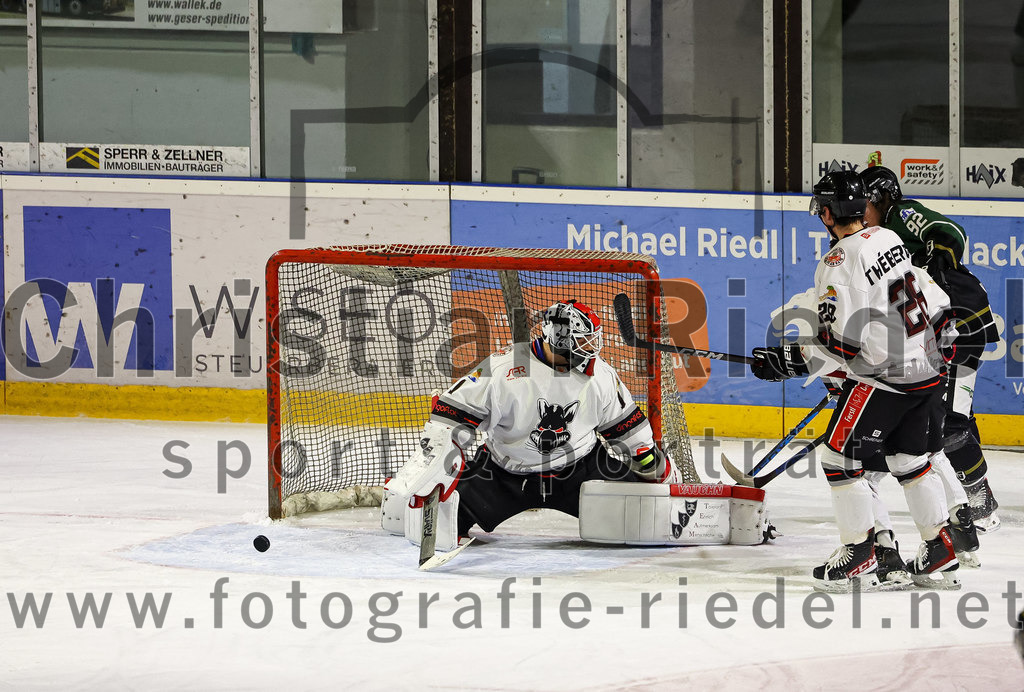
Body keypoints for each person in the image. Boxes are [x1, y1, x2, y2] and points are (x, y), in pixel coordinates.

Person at [750, 169, 959, 592]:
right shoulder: (889, 238)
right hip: (926, 371)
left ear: (828, 213)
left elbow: (843, 344)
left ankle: (859, 553)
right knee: (909, 461)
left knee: (839, 460)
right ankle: (940, 550)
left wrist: (792, 359)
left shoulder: (840, 261)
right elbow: (936, 301)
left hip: (885, 379)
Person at [381, 299, 679, 550]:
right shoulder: (503, 368)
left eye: (593, 340)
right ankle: (406, 505)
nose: (591, 350)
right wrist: (441, 465)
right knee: (428, 520)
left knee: (647, 518)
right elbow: (448, 419)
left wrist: (658, 471)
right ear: (559, 339)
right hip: (503, 474)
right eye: (582, 341)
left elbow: (629, 432)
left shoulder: (600, 375)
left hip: (581, 470)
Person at [859, 165, 1001, 534]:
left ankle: (981, 501)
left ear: (881, 198)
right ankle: (969, 491)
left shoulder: (901, 214)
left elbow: (951, 231)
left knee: (949, 421)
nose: (859, 210)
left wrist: (938, 257)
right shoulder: (874, 239)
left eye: (864, 202)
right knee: (951, 414)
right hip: (940, 331)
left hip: (963, 324)